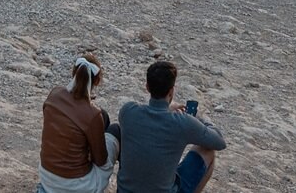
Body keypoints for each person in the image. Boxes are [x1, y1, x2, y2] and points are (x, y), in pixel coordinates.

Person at [117, 60, 226, 193]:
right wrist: (199, 118)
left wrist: (167, 109)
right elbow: (219, 143)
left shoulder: (128, 111)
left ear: (147, 87)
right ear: (171, 91)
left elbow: (150, 120)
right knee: (207, 150)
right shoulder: (183, 122)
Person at [39, 54, 118, 193]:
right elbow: (100, 160)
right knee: (115, 131)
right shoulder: (93, 114)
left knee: (102, 117)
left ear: (73, 72)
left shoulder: (54, 94)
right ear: (97, 81)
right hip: (74, 185)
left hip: (47, 175)